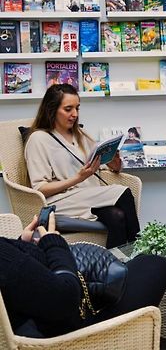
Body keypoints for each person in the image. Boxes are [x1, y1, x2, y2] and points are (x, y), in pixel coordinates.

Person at [0, 213, 166, 338]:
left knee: (136, 265)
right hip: (69, 336)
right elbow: (64, 298)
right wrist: (54, 243)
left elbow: (17, 275)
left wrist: (23, 245)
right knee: (154, 266)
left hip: (46, 310)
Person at [24, 84, 140, 249]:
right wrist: (78, 178)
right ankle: (142, 253)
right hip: (61, 201)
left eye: (77, 108)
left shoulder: (81, 135)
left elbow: (99, 168)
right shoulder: (38, 139)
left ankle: (117, 267)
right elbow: (40, 188)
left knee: (117, 216)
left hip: (89, 198)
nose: (75, 114)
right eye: (68, 109)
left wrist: (114, 163)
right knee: (123, 193)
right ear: (52, 110)